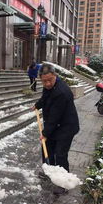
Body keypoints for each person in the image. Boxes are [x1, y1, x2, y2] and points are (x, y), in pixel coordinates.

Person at [33, 63, 80, 194]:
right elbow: (45, 97)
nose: (47, 83)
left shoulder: (61, 92)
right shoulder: (49, 87)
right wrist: (37, 105)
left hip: (66, 127)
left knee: (60, 154)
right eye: (44, 81)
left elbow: (54, 117)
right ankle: (49, 171)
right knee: (46, 148)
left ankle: (63, 183)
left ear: (55, 76)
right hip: (55, 125)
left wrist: (45, 133)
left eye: (50, 80)